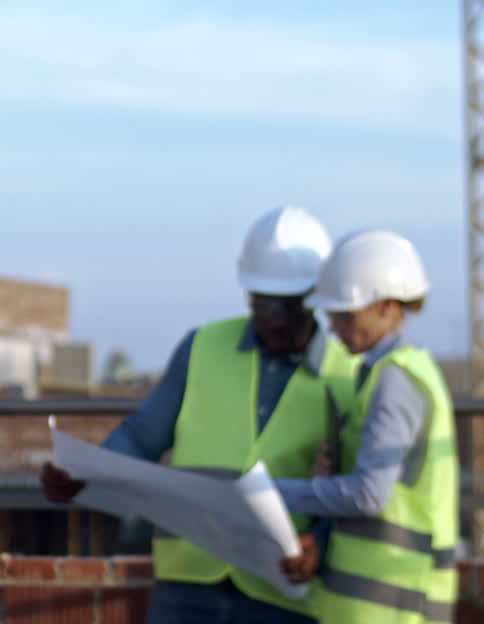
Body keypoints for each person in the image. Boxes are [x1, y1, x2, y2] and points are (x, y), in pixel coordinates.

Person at [42, 206, 359, 623]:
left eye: (290, 306)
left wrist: (319, 539)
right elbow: (142, 437)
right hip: (188, 582)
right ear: (247, 293)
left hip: (282, 590)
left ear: (315, 299)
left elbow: (356, 487)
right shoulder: (203, 347)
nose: (276, 320)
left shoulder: (348, 374)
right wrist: (85, 473)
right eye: (263, 304)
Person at [275, 230, 458, 624]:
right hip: (388, 599)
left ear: (388, 307)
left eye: (345, 315)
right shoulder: (401, 372)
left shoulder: (394, 380)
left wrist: (272, 494)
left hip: (388, 602)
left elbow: (369, 495)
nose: (335, 330)